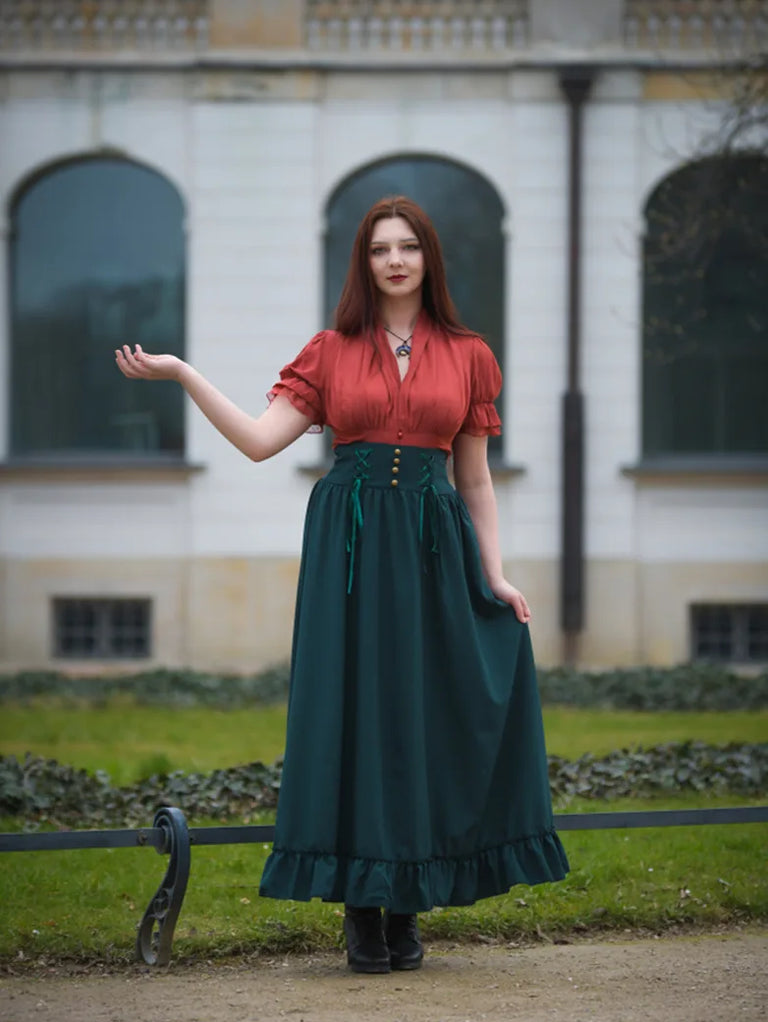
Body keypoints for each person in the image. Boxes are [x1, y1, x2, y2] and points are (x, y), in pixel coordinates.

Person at [116, 195, 569, 974]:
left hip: (434, 547)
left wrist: (493, 574)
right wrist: (184, 373)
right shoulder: (329, 351)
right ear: (363, 263)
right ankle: (362, 911)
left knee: (425, 717)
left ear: (429, 258)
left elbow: (476, 480)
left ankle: (407, 903)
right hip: (352, 551)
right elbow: (261, 442)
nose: (394, 260)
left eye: (408, 247)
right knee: (357, 716)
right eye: (379, 249)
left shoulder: (469, 354)